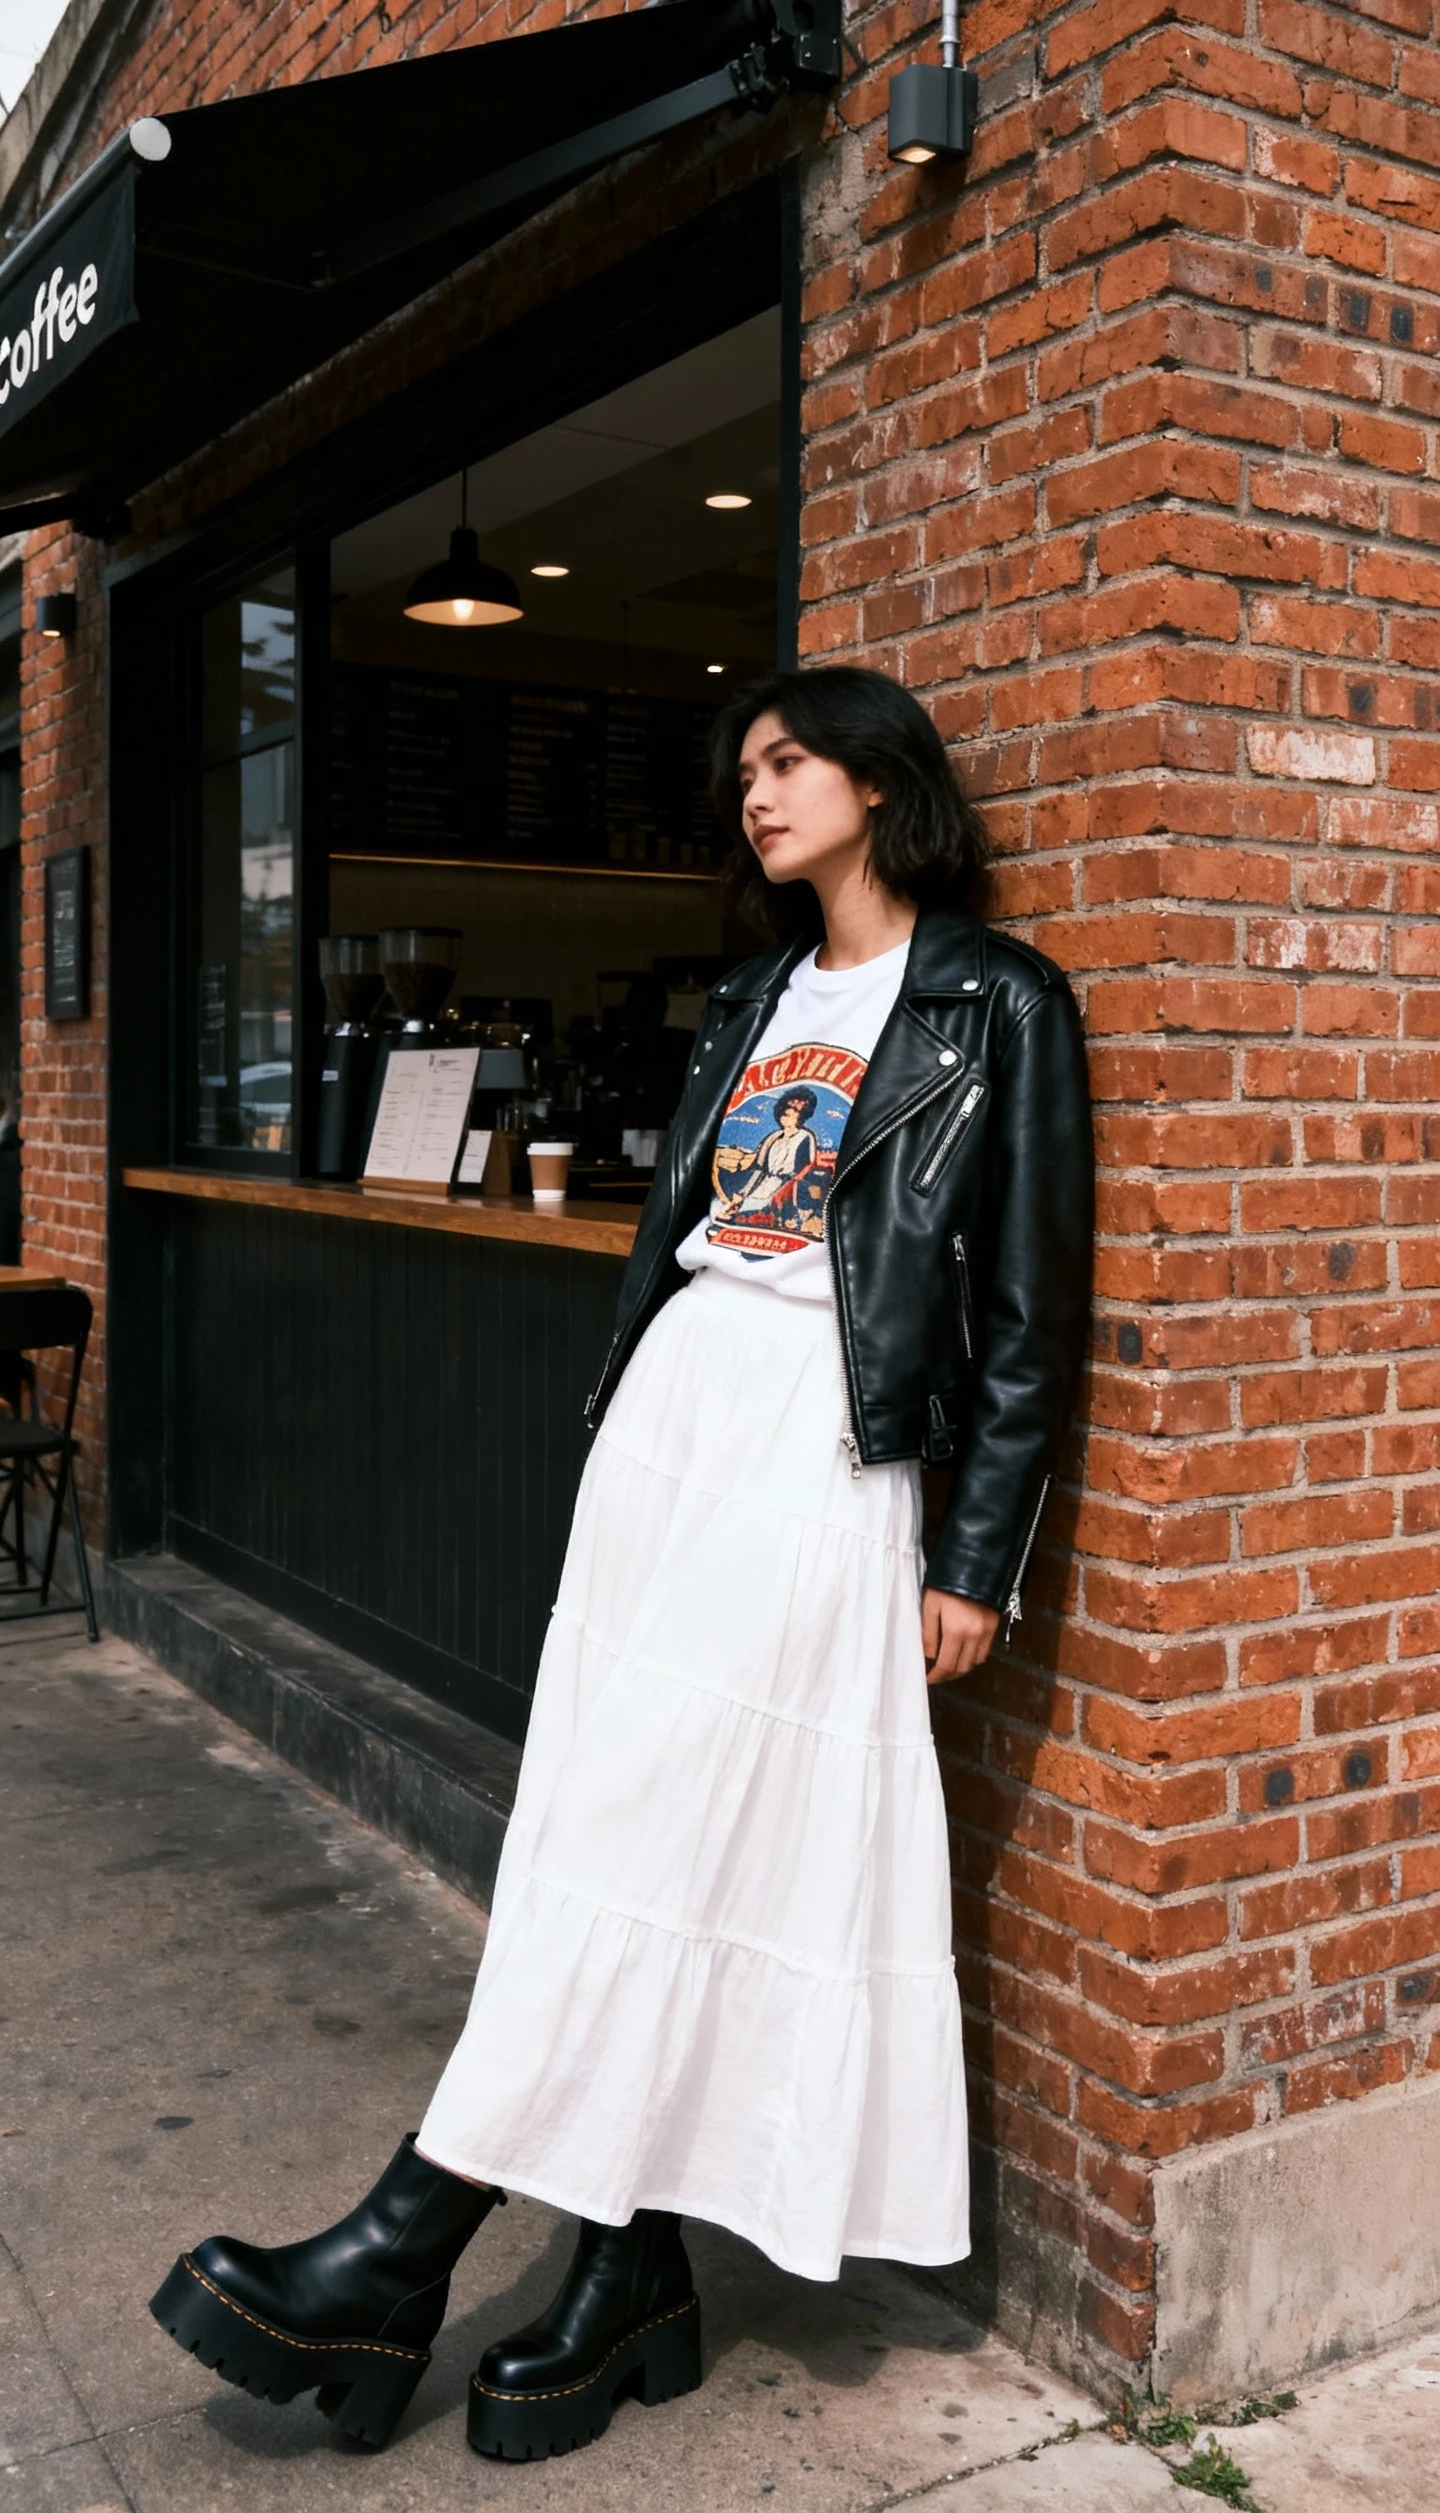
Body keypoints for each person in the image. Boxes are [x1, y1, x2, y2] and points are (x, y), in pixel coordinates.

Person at [149, 665, 1094, 2463]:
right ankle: (622, 2272)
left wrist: (976, 1555)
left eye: (790, 761)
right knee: (614, 1837)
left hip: (824, 1447)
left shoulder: (995, 1002)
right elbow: (689, 1234)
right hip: (673, 1428)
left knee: (662, 1833)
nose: (756, 793)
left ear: (885, 783)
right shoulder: (753, 992)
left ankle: (401, 2250)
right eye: (745, 768)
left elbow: (1038, 1314)